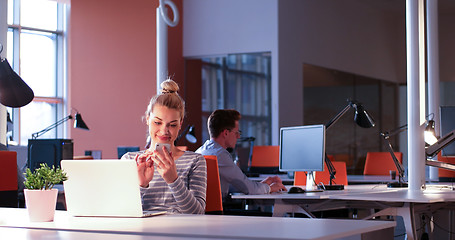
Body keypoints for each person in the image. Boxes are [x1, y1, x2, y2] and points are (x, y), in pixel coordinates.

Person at [122, 79, 207, 214]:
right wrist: (142, 185)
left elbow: (197, 213)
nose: (164, 131)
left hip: (180, 232)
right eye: (157, 122)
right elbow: (123, 211)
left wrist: (173, 180)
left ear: (180, 124)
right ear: (148, 119)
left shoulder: (195, 161)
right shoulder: (130, 160)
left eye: (172, 125)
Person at [196, 109, 286, 200]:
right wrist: (270, 188)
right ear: (226, 133)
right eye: (236, 133)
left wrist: (262, 185)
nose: (238, 136)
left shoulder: (200, 151)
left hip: (201, 211)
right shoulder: (220, 155)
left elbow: (235, 186)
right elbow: (249, 189)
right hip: (218, 212)